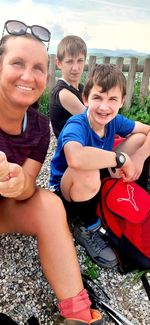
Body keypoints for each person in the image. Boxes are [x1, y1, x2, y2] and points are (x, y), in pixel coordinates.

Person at [0, 21, 104, 325]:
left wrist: (18, 184)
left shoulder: (38, 126)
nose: (28, 76)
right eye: (17, 63)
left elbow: (30, 186)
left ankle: (79, 316)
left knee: (49, 204)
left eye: (37, 68)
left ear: (47, 76)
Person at [50, 64, 150, 269]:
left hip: (98, 173)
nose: (104, 107)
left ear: (122, 101)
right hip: (67, 189)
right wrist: (121, 159)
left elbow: (147, 130)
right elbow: (75, 158)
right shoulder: (77, 124)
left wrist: (138, 157)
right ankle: (86, 226)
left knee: (140, 138)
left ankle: (130, 192)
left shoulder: (114, 120)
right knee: (87, 170)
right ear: (85, 99)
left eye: (112, 99)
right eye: (98, 98)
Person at [49, 35, 86, 139]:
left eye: (80, 60)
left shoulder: (81, 88)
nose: (75, 68)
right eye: (69, 61)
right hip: (72, 150)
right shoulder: (63, 93)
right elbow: (94, 121)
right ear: (59, 63)